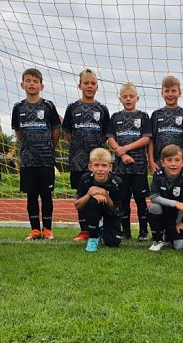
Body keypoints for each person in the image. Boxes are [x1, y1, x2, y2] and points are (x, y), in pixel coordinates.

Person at [11, 67, 62, 241]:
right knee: (31, 195)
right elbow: (18, 132)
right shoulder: (18, 107)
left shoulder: (48, 106)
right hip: (27, 159)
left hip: (46, 158)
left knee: (46, 195)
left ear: (42, 86)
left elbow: (56, 130)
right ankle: (34, 229)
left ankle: (47, 229)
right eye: (28, 81)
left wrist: (49, 147)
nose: (32, 84)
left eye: (35, 81)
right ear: (22, 84)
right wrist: (28, 147)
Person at [62, 68, 110, 242]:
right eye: (86, 83)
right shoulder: (72, 108)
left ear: (97, 87)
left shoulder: (102, 109)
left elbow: (106, 134)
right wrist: (79, 148)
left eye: (93, 84)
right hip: (77, 160)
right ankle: (84, 230)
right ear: (79, 85)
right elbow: (68, 133)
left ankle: (100, 227)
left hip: (97, 162)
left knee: (101, 192)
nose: (89, 86)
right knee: (81, 193)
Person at [106, 82, 151, 240]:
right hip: (120, 168)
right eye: (125, 97)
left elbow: (146, 138)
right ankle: (125, 231)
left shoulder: (143, 116)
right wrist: (122, 154)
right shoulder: (115, 117)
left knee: (140, 200)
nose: (128, 99)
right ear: (120, 99)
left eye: (131, 96)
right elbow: (110, 138)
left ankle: (143, 232)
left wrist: (125, 148)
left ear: (137, 98)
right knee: (122, 200)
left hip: (139, 167)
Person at [74, 147, 123, 253]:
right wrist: (89, 194)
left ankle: (101, 228)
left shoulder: (117, 182)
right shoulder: (85, 179)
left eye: (104, 165)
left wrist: (105, 194)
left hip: (110, 212)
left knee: (113, 243)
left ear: (110, 167)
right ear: (90, 167)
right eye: (96, 165)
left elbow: (116, 210)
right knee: (93, 201)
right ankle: (93, 236)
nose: (100, 169)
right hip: (91, 210)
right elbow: (77, 205)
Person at [147, 144, 183, 252]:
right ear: (163, 163)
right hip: (160, 215)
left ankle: (169, 234)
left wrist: (178, 222)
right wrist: (175, 203)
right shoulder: (158, 175)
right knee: (154, 208)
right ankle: (157, 239)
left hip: (174, 217)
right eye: (169, 160)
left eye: (177, 160)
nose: (173, 164)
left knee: (181, 246)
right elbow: (154, 197)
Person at [148, 75, 183, 174]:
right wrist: (151, 161)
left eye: (173, 91)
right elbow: (151, 140)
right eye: (167, 91)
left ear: (180, 93)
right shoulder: (156, 114)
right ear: (162, 93)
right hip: (160, 163)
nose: (170, 94)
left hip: (180, 164)